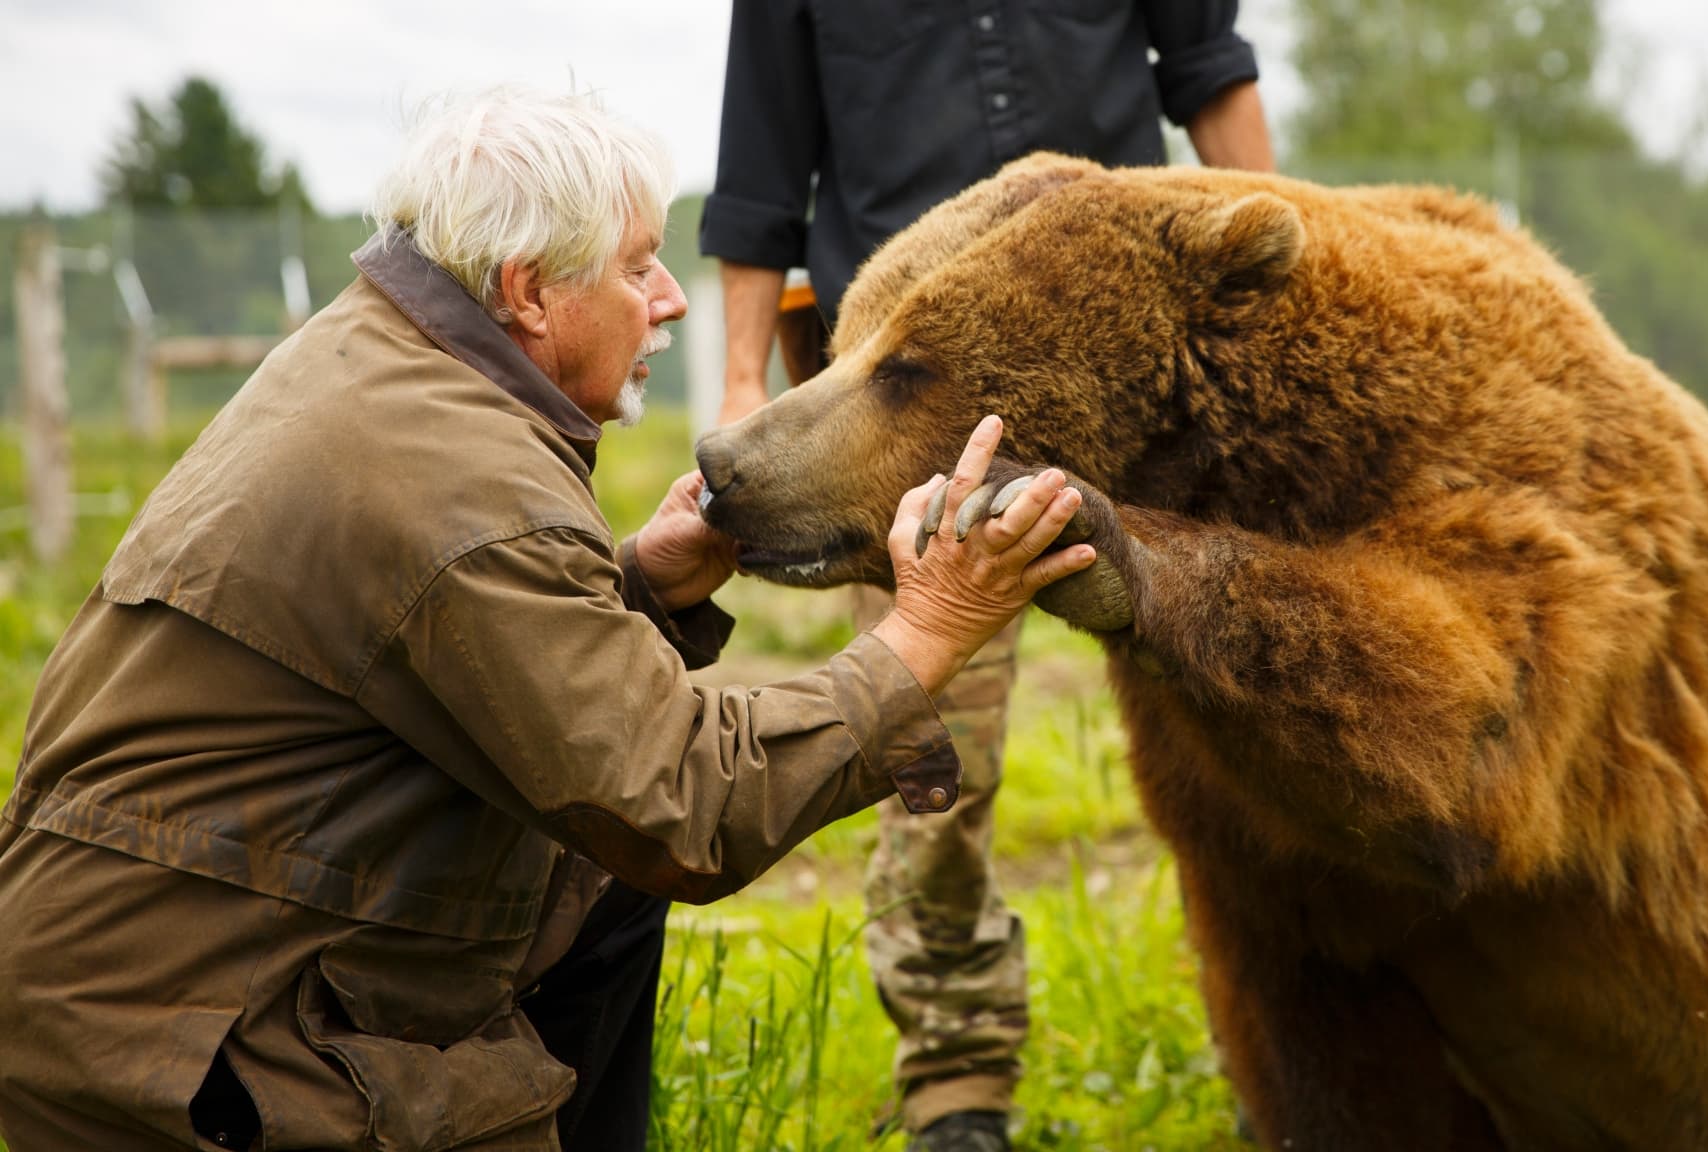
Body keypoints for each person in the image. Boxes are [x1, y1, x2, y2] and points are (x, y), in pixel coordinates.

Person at [0, 87, 1096, 1152]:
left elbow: (431, 651)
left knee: (597, 887)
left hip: (155, 970)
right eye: (636, 267)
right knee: (620, 857)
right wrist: (930, 631)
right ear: (527, 291)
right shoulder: (467, 488)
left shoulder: (378, 357)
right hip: (188, 1055)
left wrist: (641, 588)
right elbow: (681, 805)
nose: (671, 297)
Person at [700, 5, 1275, 1147]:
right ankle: (954, 1081)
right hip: (901, 411)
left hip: (1134, 383)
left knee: (1239, 739)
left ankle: (1273, 1034)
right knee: (928, 755)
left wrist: (1291, 259)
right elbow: (761, 176)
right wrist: (734, 382)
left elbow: (1209, 74)